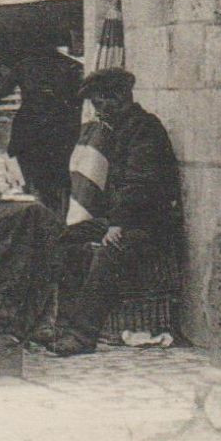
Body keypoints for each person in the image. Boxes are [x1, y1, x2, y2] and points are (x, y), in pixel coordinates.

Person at [45, 68, 181, 357]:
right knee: (65, 239)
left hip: (149, 224)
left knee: (111, 252)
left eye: (99, 103)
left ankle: (82, 335)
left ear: (117, 98)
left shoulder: (145, 130)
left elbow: (140, 186)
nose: (96, 111)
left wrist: (118, 224)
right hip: (122, 219)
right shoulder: (120, 129)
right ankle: (62, 327)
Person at [0, 43, 84, 214]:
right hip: (58, 129)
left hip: (33, 129)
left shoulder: (26, 65)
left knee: (34, 178)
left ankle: (41, 213)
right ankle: (55, 215)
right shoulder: (73, 67)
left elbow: (0, 92)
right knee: (59, 178)